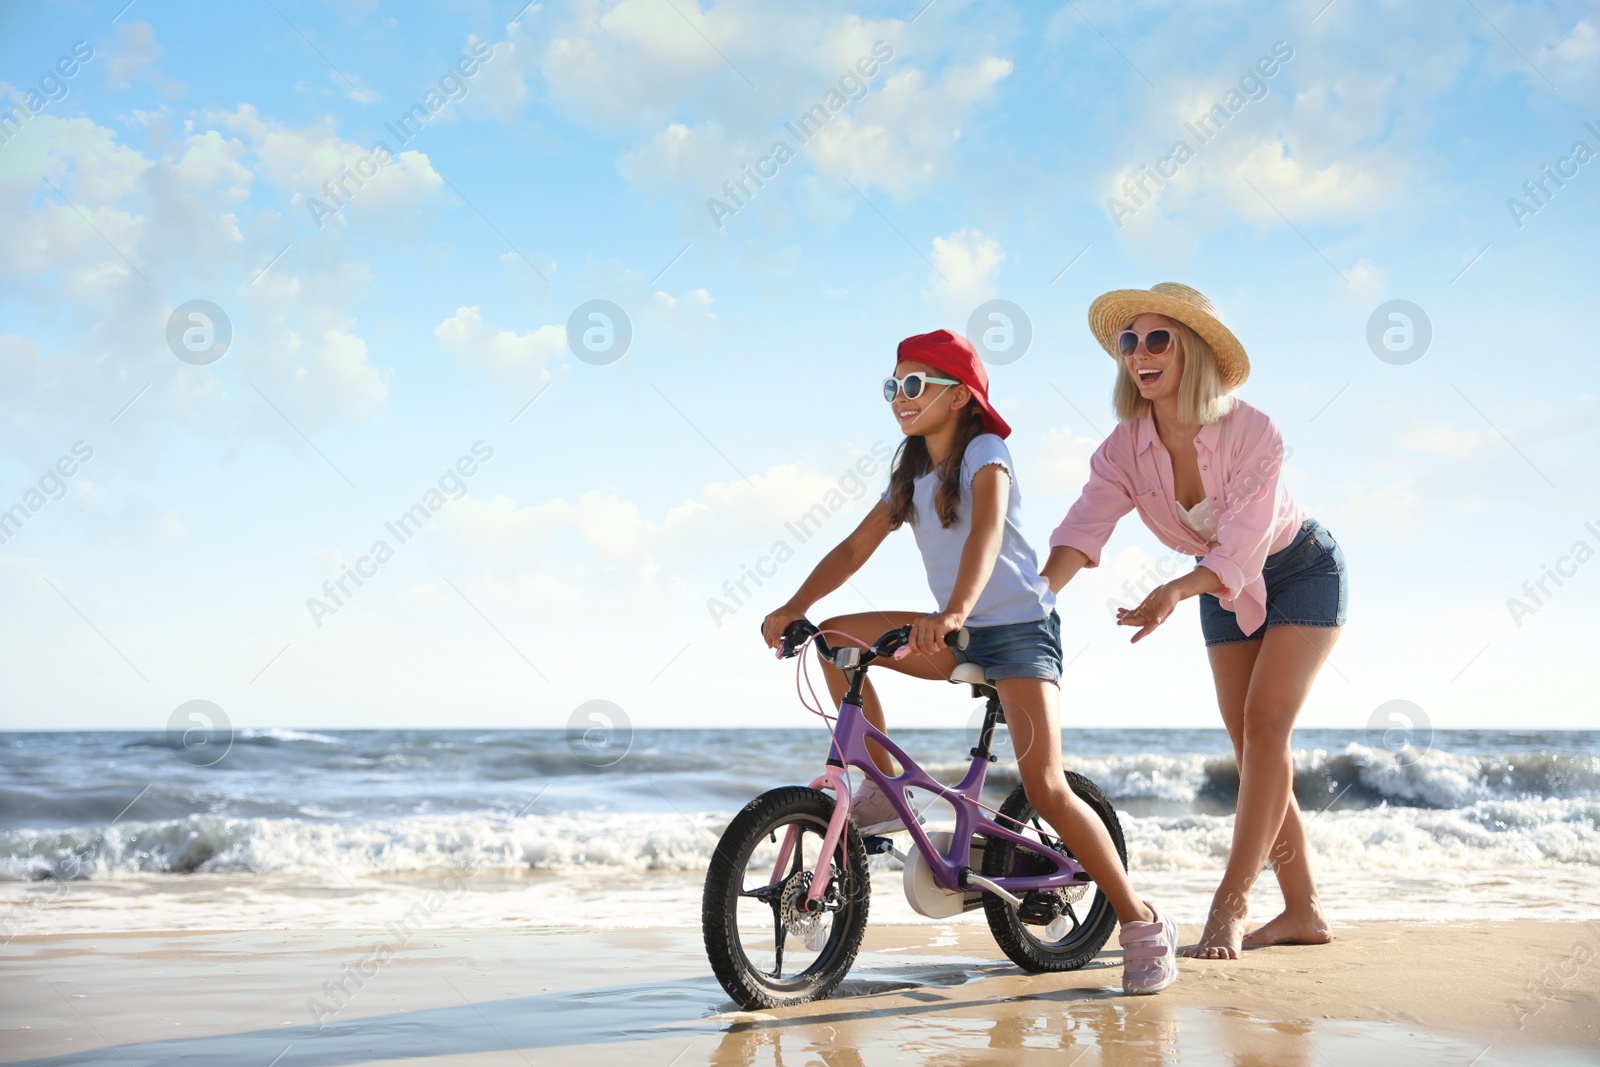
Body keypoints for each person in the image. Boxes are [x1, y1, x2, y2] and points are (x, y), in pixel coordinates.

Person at [761, 328, 1179, 994]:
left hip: (1016, 630)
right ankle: (881, 782)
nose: (901, 397)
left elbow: (987, 530)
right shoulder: (910, 472)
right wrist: (794, 603)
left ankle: (1141, 921)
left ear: (959, 396)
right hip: (952, 630)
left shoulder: (986, 450)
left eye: (915, 385)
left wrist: (954, 611)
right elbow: (853, 547)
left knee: (1045, 786)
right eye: (893, 386)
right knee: (836, 636)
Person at [1040, 283, 1348, 959]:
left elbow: (1240, 541)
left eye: (1158, 339)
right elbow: (1081, 528)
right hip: (1215, 584)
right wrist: (1036, 595)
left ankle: (1229, 906)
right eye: (1130, 341)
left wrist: (1175, 589)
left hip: (1300, 571)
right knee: (1251, 747)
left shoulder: (1254, 430)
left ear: (1196, 352)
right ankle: (1304, 911)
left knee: (1267, 727)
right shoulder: (1124, 448)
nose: (1140, 354)